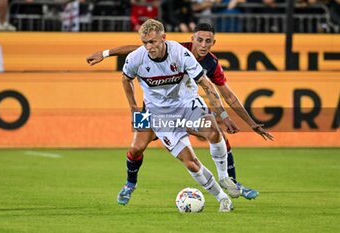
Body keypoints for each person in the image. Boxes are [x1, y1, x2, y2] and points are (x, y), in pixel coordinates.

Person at [86, 23, 274, 200]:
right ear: (192, 39)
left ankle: (232, 183)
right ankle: (130, 184)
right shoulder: (176, 49)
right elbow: (137, 50)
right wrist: (105, 53)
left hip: (184, 105)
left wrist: (250, 123)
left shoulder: (211, 64)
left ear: (213, 43)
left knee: (216, 134)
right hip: (152, 109)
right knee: (136, 148)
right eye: (199, 40)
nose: (203, 45)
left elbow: (229, 96)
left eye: (208, 41)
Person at [112, 19, 241, 212]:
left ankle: (223, 177)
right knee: (189, 162)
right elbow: (125, 79)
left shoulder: (180, 53)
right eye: (145, 43)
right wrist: (133, 108)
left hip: (185, 104)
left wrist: (223, 114)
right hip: (158, 113)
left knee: (214, 132)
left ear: (163, 38)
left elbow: (206, 84)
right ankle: (222, 198)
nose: (149, 47)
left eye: (153, 42)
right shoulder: (136, 58)